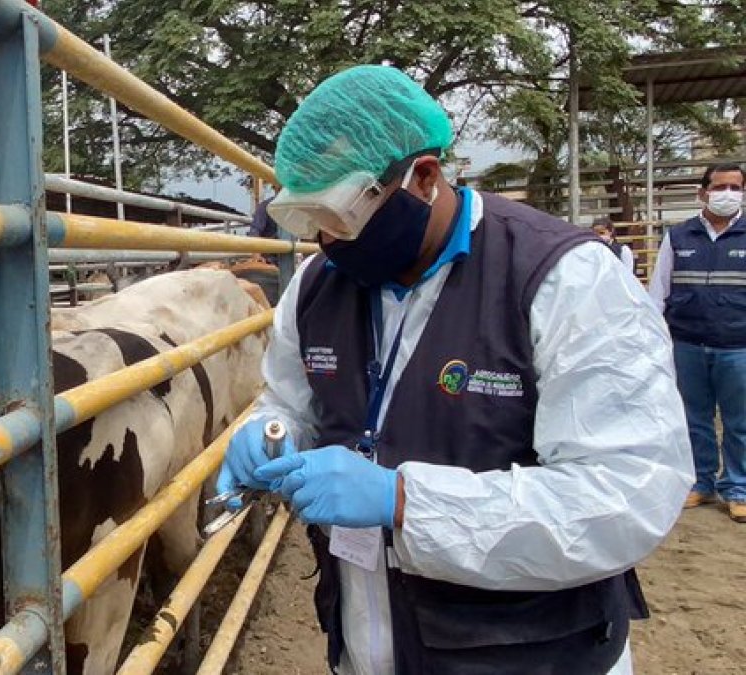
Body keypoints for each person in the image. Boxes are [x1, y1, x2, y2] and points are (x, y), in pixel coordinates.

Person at [214, 65, 692, 675]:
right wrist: (270, 433)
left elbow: (626, 494)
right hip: (367, 640)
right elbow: (290, 401)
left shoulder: (566, 279)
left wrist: (407, 500)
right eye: (309, 221)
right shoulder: (314, 289)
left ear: (425, 176)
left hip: (532, 656)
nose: (327, 241)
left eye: (342, 214)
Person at [647, 162, 746, 523]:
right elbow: (658, 292)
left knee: (739, 421)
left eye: (736, 187)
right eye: (721, 187)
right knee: (694, 419)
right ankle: (701, 482)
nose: (729, 194)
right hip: (686, 343)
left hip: (738, 346)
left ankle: (738, 488)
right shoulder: (679, 237)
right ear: (703, 192)